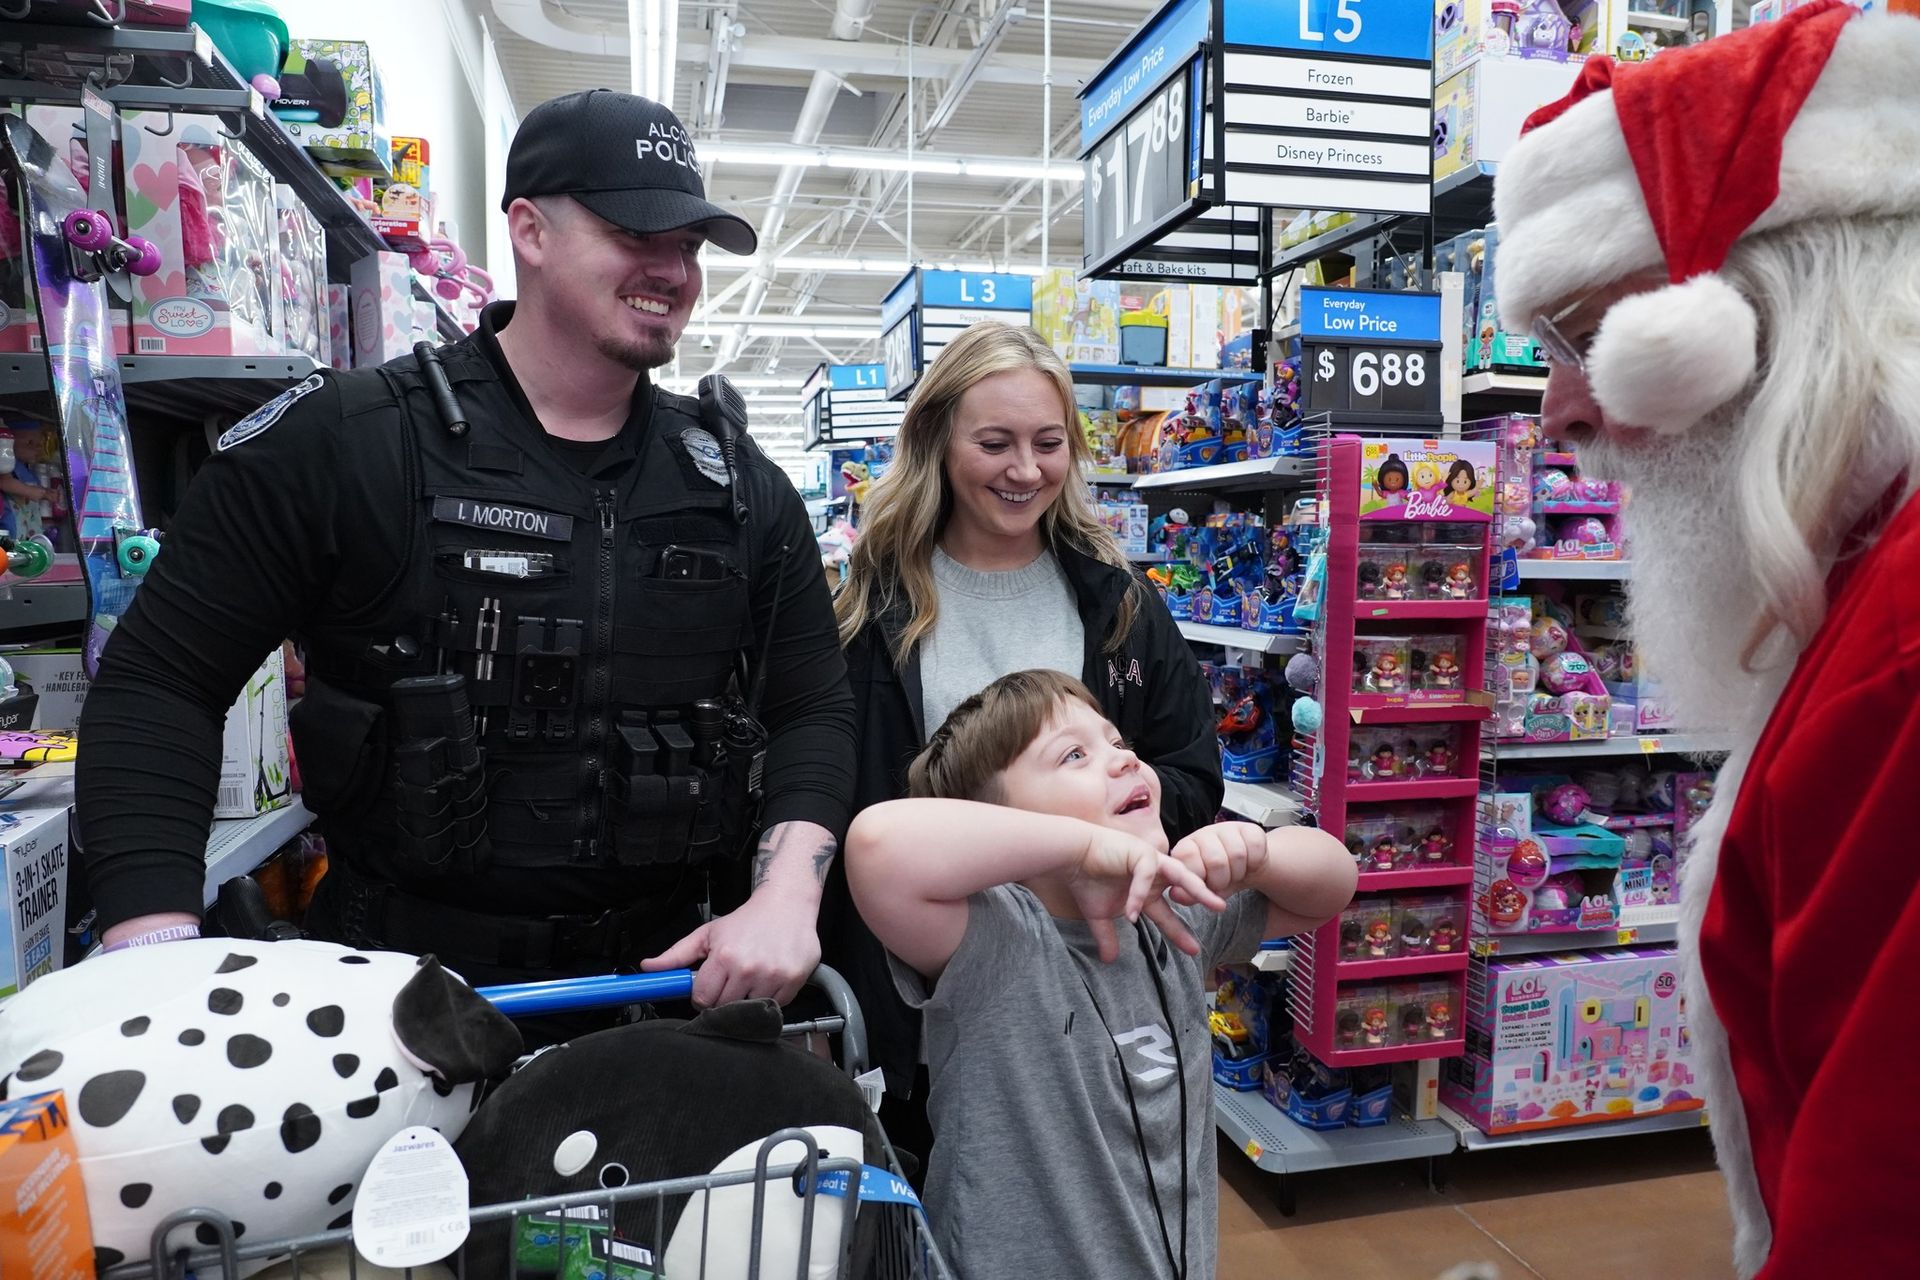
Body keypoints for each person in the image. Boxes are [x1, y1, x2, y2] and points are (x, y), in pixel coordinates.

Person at [73, 90, 855, 1012]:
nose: (672, 270)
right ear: (529, 230)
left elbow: (812, 705)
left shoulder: (733, 479)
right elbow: (162, 679)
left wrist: (786, 894)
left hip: (668, 993)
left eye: (688, 245)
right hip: (390, 1004)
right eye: (636, 234)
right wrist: (151, 938)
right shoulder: (349, 443)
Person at [1491, 6, 1920, 1275]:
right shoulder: (1857, 596)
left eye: (1579, 335)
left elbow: (1881, 1189)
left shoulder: (1899, 645)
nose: (1559, 406)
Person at [824, 319, 1224, 1122]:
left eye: (1048, 443)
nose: (1024, 470)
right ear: (937, 441)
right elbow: (837, 794)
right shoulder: (869, 608)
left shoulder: (1120, 607)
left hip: (1087, 996)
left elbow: (1189, 772)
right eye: (995, 442)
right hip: (922, 1004)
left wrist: (1099, 852)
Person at [845, 669, 1354, 1279]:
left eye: (1117, 743)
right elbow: (876, 845)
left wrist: (1259, 854)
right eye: (1074, 756)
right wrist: (1079, 848)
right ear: (1004, 826)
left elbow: (1334, 884)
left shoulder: (1174, 914)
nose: (1124, 761)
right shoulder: (995, 938)